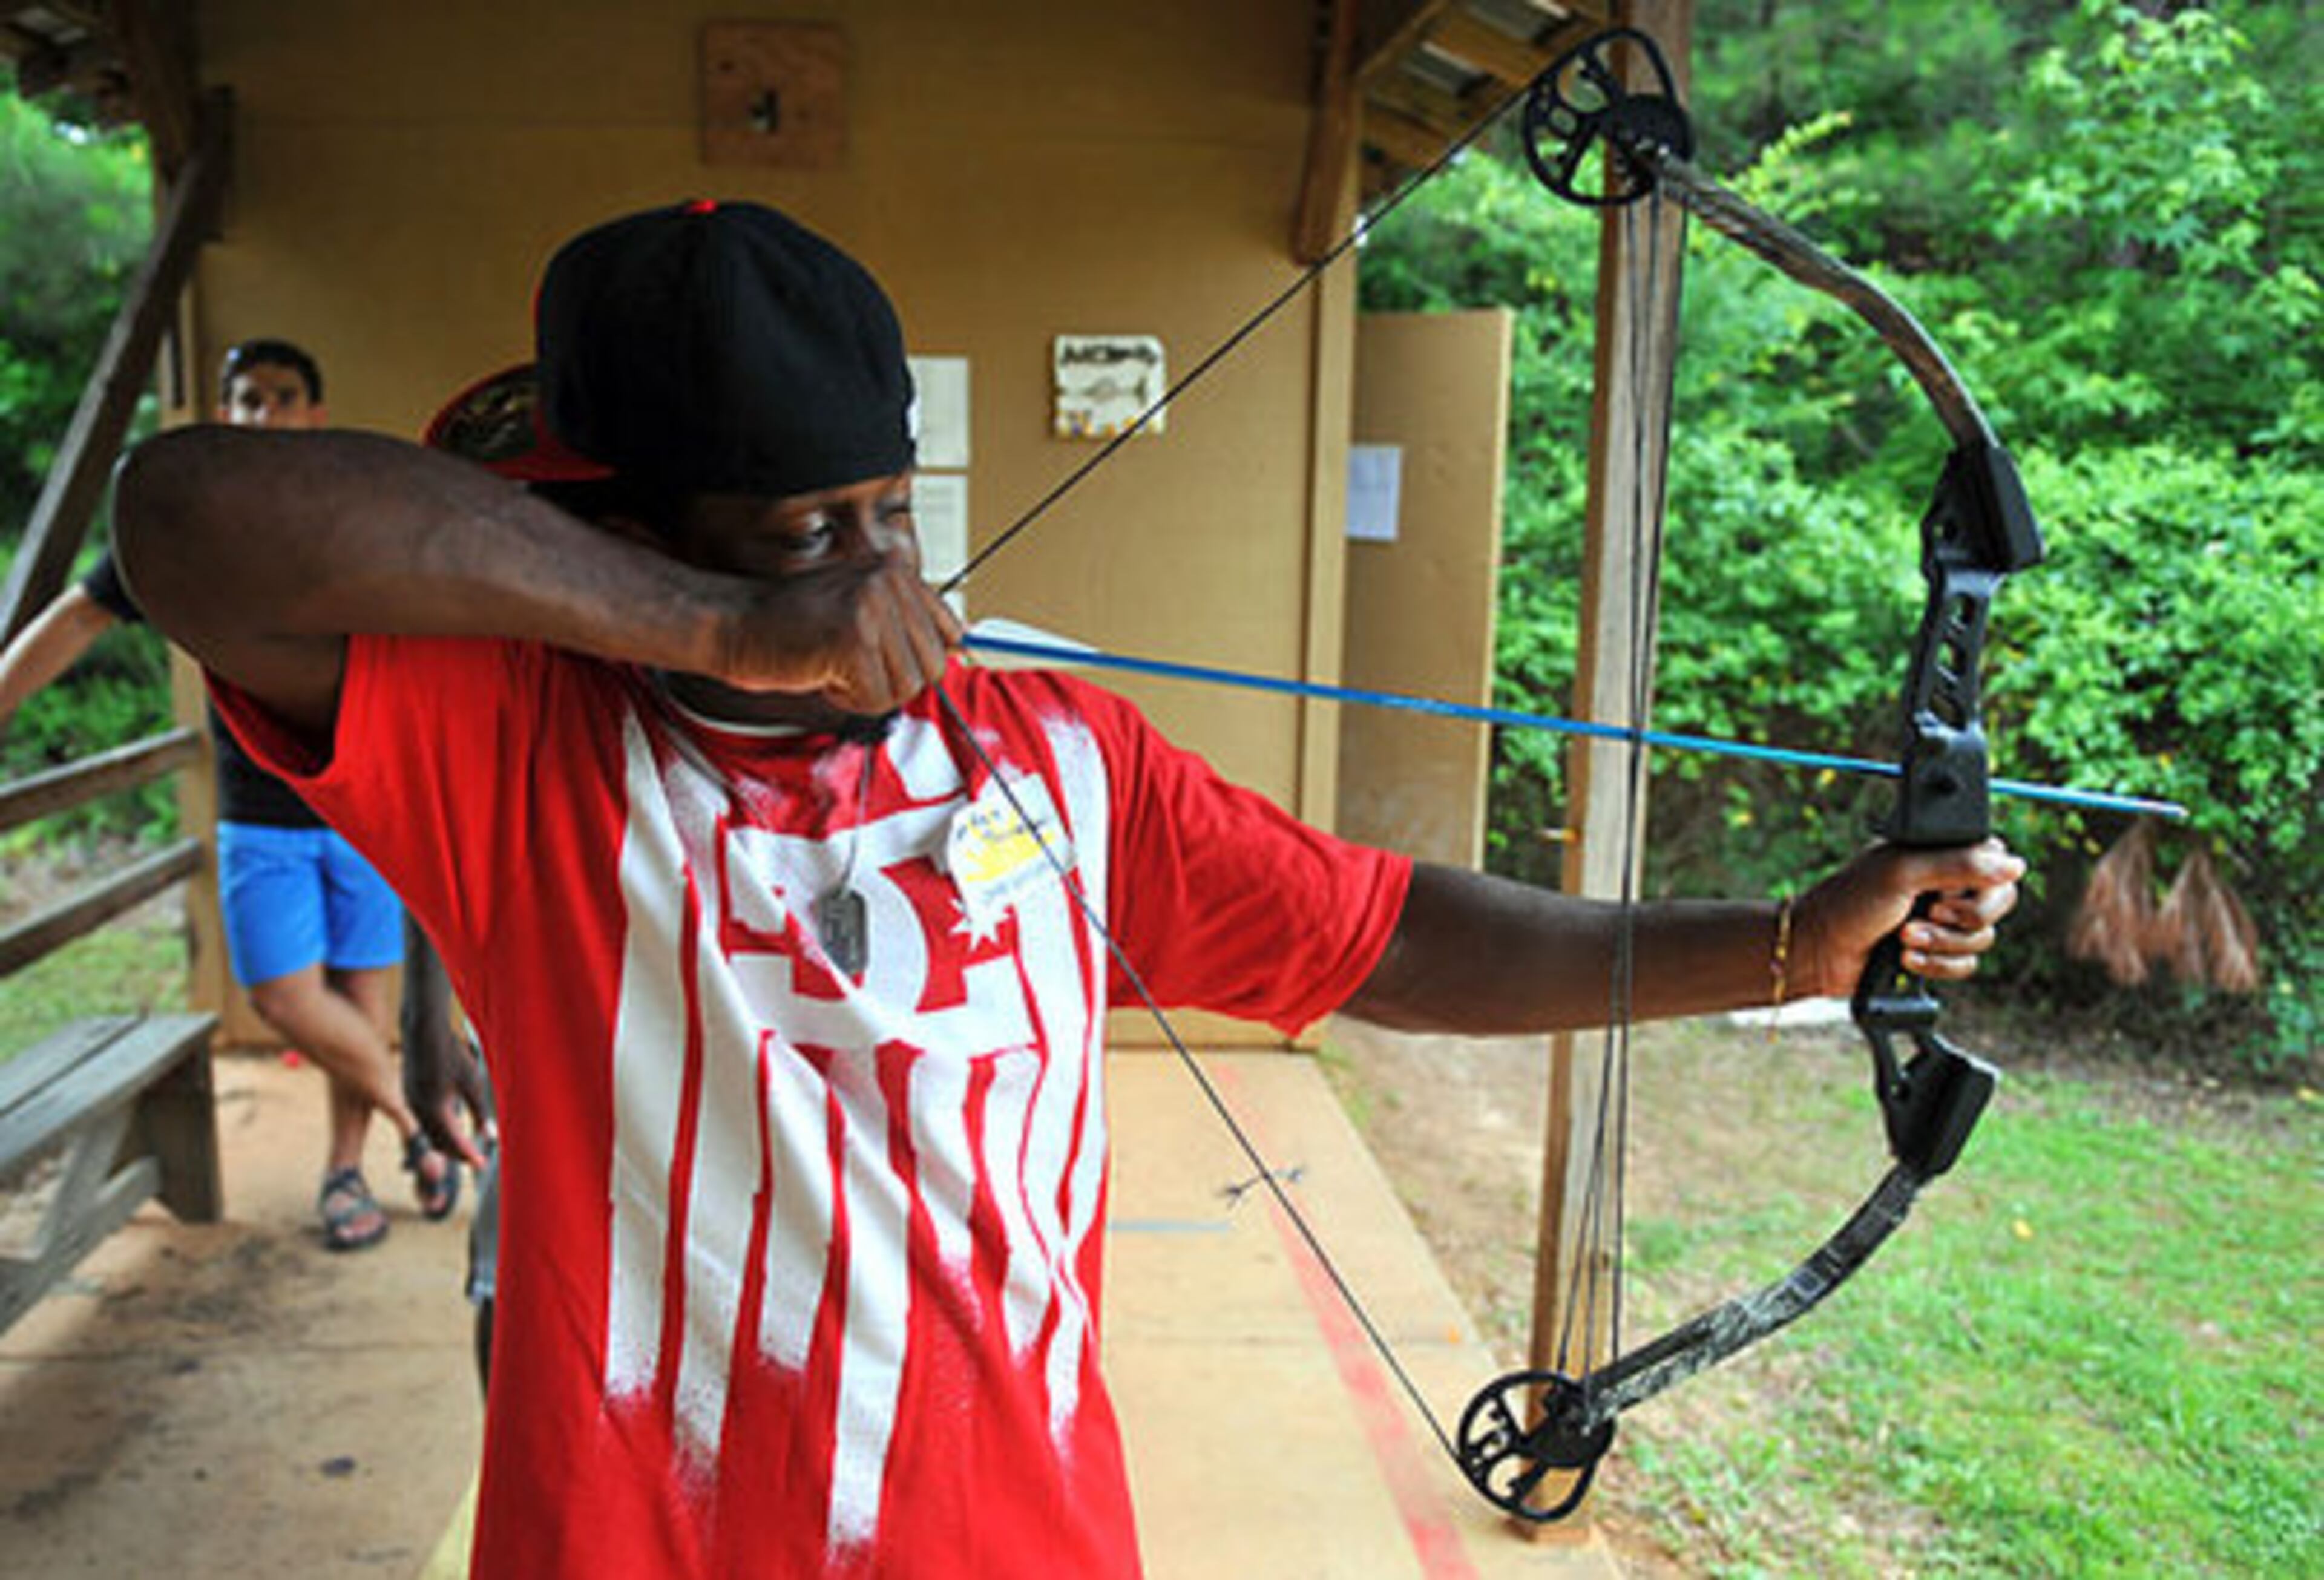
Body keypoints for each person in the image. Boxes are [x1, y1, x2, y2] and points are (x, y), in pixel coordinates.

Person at [112, 202, 2023, 1578]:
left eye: (890, 513)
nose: (877, 576)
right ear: (597, 533)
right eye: (803, 532)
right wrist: (724, 630)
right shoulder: (518, 750)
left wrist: (1789, 941)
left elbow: (1387, 931)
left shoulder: (1048, 749)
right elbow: (183, 519)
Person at [0, 338, 459, 1251]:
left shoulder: (350, 518)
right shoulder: (189, 537)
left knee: (364, 1003)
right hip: (260, 813)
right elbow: (79, 615)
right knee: (285, 999)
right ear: (222, 414)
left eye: (282, 398)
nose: (263, 415)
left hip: (363, 807)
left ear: (313, 417)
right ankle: (424, 1125)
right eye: (245, 399)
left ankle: (345, 1172)